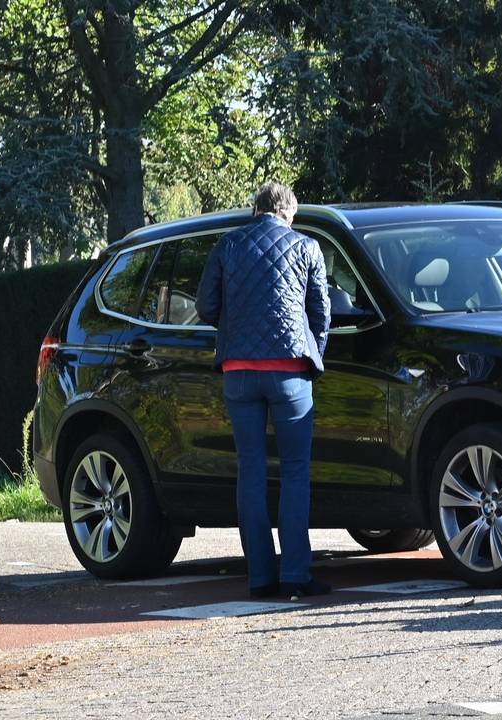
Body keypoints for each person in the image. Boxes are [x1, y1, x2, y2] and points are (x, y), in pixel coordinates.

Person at [196, 182, 331, 599]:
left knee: (250, 470)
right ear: (289, 213)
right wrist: (313, 355)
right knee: (294, 471)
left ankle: (260, 577)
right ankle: (295, 574)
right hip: (290, 371)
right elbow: (321, 312)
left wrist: (233, 329)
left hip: (238, 371)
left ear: (255, 209)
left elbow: (205, 306)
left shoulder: (229, 245)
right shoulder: (307, 246)